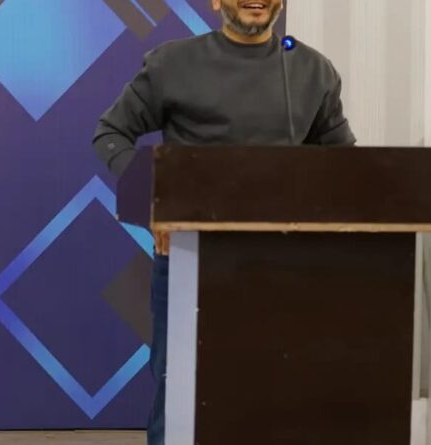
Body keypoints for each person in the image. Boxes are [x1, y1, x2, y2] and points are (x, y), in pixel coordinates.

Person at [92, 0, 355, 443]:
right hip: (189, 260)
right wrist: (154, 205)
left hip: (284, 265)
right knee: (181, 395)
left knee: (273, 394)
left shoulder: (312, 70)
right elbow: (111, 134)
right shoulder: (172, 63)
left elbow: (343, 162)